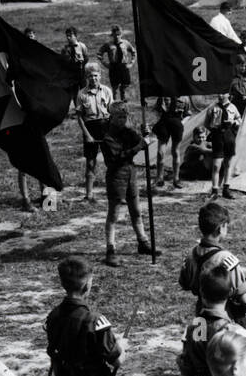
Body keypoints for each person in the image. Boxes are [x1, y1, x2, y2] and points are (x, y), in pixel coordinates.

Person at [178, 201, 246, 316]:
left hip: (202, 313)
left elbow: (184, 284)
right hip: (226, 317)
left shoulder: (191, 255)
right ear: (220, 228)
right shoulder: (227, 259)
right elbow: (244, 297)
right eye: (226, 226)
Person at [99, 102, 154, 266]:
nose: (123, 119)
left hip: (131, 174)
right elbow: (118, 157)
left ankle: (143, 242)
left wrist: (145, 133)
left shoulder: (127, 132)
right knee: (114, 214)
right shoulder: (107, 136)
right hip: (116, 176)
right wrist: (140, 145)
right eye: (119, 116)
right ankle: (110, 249)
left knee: (136, 211)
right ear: (112, 117)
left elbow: (141, 142)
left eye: (125, 116)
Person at [74, 63, 113, 203]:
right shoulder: (82, 94)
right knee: (90, 163)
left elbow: (112, 111)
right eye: (90, 76)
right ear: (86, 77)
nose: (93, 78)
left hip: (105, 126)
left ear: (100, 76)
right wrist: (87, 135)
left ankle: (113, 191)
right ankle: (89, 195)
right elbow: (79, 117)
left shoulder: (107, 91)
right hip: (90, 128)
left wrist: (112, 132)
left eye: (96, 75)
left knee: (111, 161)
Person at [205, 91, 242, 199]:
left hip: (229, 136)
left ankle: (226, 189)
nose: (220, 96)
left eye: (222, 94)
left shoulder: (233, 107)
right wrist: (214, 129)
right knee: (216, 165)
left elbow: (239, 120)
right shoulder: (213, 108)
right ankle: (215, 190)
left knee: (228, 164)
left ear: (228, 95)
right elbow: (206, 123)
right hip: (217, 136)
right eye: (218, 94)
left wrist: (234, 123)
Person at [151, 94, 190, 190]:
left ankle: (176, 179)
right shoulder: (163, 94)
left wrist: (182, 123)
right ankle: (159, 178)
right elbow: (156, 109)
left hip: (176, 124)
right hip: (164, 123)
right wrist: (158, 120)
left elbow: (188, 114)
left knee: (175, 151)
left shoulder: (184, 97)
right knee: (160, 152)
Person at [100, 26, 135, 102]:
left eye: (118, 34)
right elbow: (99, 54)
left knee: (124, 87)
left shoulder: (126, 43)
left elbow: (133, 52)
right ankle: (114, 105)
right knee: (115, 87)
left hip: (123, 66)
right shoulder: (108, 44)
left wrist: (131, 63)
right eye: (114, 35)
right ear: (112, 35)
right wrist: (105, 63)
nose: (116, 36)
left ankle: (124, 105)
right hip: (113, 67)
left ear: (121, 34)